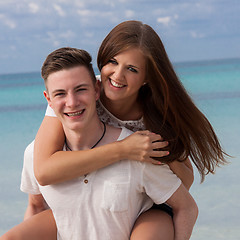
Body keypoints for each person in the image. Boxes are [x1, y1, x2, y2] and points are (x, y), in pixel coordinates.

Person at [1, 47, 198, 240]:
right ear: (48, 99)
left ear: (96, 90)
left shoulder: (138, 150)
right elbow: (36, 206)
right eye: (60, 94)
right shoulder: (34, 154)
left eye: (80, 90)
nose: (71, 102)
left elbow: (185, 202)